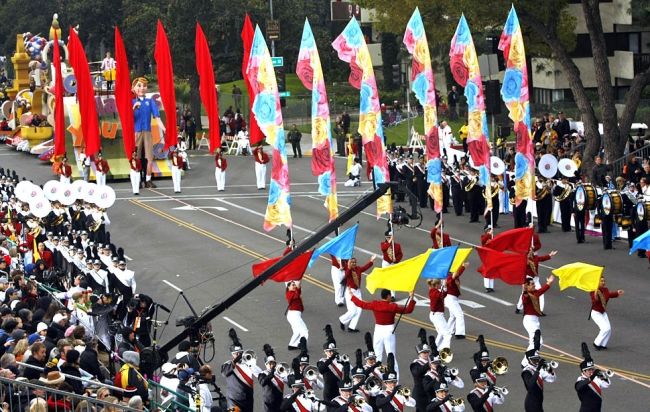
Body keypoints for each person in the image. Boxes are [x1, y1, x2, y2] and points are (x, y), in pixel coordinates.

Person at [350, 289, 416, 377]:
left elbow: (362, 304)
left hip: (378, 331)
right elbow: (408, 310)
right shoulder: (392, 306)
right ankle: (395, 378)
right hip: (389, 331)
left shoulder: (375, 304)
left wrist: (352, 296)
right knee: (391, 356)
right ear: (388, 296)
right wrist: (411, 298)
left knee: (377, 357)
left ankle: (377, 378)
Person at [132, 77, 166, 188]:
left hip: (147, 132)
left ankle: (147, 179)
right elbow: (127, 119)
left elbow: (157, 117)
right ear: (134, 88)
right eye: (139, 85)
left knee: (149, 157)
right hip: (136, 132)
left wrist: (164, 129)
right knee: (136, 157)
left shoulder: (150, 101)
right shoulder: (132, 102)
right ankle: (137, 179)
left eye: (144, 86)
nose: (142, 88)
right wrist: (133, 109)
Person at [221, 329, 260, 412]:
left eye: (240, 353)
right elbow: (224, 373)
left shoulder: (248, 363)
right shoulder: (227, 364)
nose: (238, 355)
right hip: (232, 400)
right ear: (232, 354)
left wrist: (252, 364)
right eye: (236, 353)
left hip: (248, 400)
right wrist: (235, 361)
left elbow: (259, 374)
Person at [521, 275, 556, 361]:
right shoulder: (527, 295)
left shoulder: (535, 293)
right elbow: (525, 300)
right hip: (529, 320)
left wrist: (549, 282)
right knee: (538, 341)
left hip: (535, 320)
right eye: (532, 284)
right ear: (527, 286)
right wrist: (525, 291)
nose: (534, 285)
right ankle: (527, 360)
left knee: (533, 341)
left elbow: (542, 290)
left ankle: (529, 359)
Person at [339, 255, 375, 333]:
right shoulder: (348, 270)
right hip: (350, 292)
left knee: (359, 309)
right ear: (349, 263)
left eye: (355, 262)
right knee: (352, 311)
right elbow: (347, 275)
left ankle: (352, 327)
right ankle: (342, 320)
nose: (354, 263)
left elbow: (365, 267)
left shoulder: (358, 269)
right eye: (352, 262)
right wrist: (348, 266)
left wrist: (371, 261)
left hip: (358, 291)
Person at [521, 331, 556, 412]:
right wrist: (538, 369)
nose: (536, 361)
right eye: (534, 360)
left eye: (537, 359)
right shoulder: (526, 371)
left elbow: (551, 379)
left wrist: (550, 370)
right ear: (529, 360)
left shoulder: (539, 369)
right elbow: (530, 384)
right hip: (531, 403)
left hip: (539, 401)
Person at [516, 249, 557, 313]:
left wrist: (550, 255)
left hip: (535, 279)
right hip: (527, 279)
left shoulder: (536, 258)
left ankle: (540, 310)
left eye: (531, 251)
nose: (530, 252)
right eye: (528, 251)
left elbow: (542, 258)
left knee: (540, 293)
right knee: (525, 294)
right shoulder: (525, 260)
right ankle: (518, 307)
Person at [589, 277, 623, 350]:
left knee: (609, 329)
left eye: (604, 281)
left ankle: (603, 345)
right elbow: (594, 302)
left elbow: (608, 295)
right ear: (597, 282)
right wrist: (595, 295)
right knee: (605, 328)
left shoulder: (605, 289)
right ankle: (596, 343)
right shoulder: (593, 291)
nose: (603, 282)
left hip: (603, 312)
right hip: (596, 313)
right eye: (601, 281)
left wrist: (617, 292)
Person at [259, 345, 285, 412]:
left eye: (273, 363)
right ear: (266, 364)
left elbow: (289, 383)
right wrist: (271, 374)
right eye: (270, 363)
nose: (272, 365)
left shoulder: (280, 372)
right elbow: (263, 382)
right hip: (269, 405)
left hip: (280, 403)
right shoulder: (262, 374)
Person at [445, 263, 468, 340]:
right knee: (459, 314)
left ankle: (449, 330)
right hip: (450, 298)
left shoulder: (449, 276)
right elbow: (453, 277)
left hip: (451, 298)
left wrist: (462, 267)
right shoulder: (448, 277)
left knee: (453, 315)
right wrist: (463, 267)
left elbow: (457, 274)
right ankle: (459, 333)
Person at [427, 279, 451, 350]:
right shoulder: (434, 292)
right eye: (440, 284)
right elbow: (441, 295)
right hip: (437, 316)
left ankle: (435, 348)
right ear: (437, 285)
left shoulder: (433, 291)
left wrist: (444, 287)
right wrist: (444, 286)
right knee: (447, 334)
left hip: (435, 315)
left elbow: (442, 295)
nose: (440, 285)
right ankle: (444, 351)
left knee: (441, 332)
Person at [286, 281, 309, 350]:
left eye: (294, 285)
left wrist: (298, 285)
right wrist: (298, 286)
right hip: (294, 315)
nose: (294, 286)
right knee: (304, 330)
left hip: (293, 315)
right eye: (292, 285)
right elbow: (296, 295)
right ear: (288, 287)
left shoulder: (293, 292)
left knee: (297, 331)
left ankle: (292, 345)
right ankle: (302, 345)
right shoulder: (289, 293)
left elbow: (298, 292)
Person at [480, 226, 495, 293]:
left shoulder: (492, 237)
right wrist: (489, 235)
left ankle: (491, 287)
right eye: (489, 230)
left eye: (490, 230)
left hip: (492, 256)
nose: (490, 231)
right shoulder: (483, 236)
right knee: (487, 271)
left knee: (492, 271)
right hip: (486, 256)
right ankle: (487, 287)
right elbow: (483, 241)